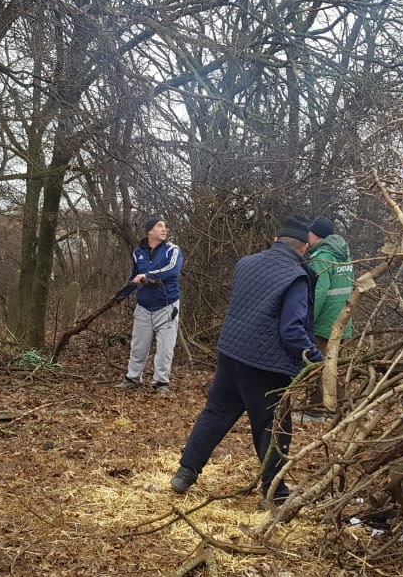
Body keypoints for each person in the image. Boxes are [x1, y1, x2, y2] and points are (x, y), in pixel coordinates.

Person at [170, 214, 323, 507]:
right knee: (273, 427)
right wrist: (316, 360)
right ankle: (275, 493)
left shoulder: (246, 263)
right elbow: (292, 330)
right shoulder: (297, 277)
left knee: (216, 413)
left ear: (276, 239)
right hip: (266, 366)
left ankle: (185, 473)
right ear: (305, 247)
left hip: (231, 353)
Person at [113, 216, 183, 395]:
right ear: (150, 231)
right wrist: (121, 294)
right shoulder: (138, 253)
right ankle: (133, 378)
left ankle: (161, 383)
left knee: (165, 348)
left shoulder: (172, 250)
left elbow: (172, 270)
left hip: (167, 306)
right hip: (144, 306)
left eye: (165, 226)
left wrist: (148, 276)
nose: (164, 229)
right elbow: (135, 276)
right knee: (138, 346)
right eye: (160, 226)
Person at [307, 217, 354, 357]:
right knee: (336, 365)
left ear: (316, 234)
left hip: (323, 327)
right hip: (342, 323)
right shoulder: (345, 256)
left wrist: (308, 322)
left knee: (318, 366)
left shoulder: (321, 258)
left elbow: (318, 293)